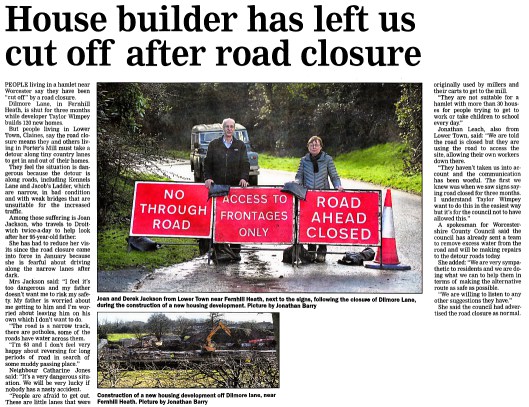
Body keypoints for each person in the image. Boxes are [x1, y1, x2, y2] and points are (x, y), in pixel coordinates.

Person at [203, 118, 250, 261]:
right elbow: (207, 163)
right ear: (223, 129)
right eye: (227, 127)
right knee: (218, 219)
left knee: (235, 219)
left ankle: (235, 250)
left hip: (234, 189)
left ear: (234, 129)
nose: (229, 129)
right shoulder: (214, 144)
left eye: (231, 127)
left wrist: (244, 178)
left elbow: (245, 164)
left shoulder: (240, 145)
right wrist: (208, 177)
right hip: (217, 188)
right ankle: (219, 248)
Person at [295, 136, 344, 262]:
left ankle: (322, 251)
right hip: (308, 197)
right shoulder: (304, 160)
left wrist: (338, 186)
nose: (314, 147)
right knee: (310, 223)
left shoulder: (327, 159)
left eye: (316, 145)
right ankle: (311, 251)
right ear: (308, 147)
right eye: (311, 145)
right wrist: (297, 183)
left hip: (323, 197)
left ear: (321, 146)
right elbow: (299, 175)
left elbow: (334, 175)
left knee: (322, 224)